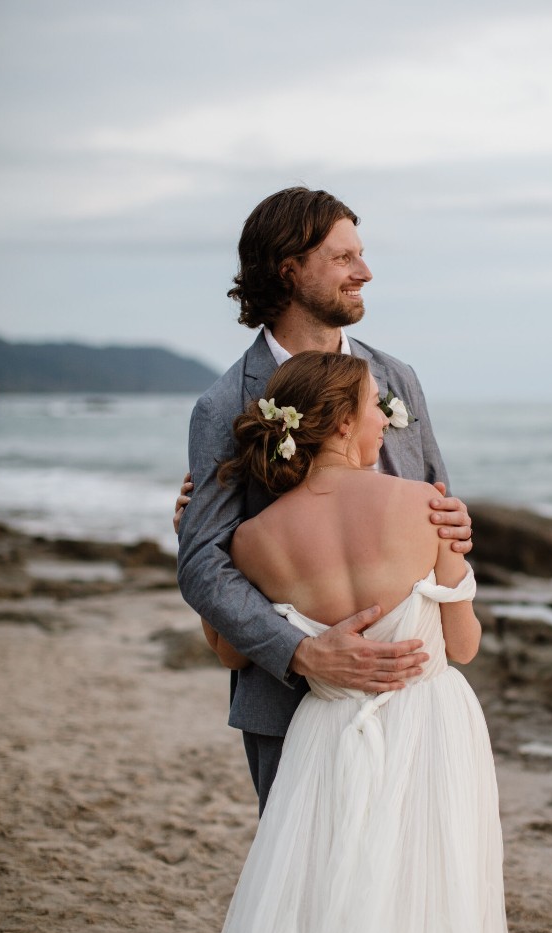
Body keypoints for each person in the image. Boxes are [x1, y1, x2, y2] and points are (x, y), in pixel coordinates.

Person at [172, 351, 517, 933]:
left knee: (320, 912)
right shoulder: (423, 504)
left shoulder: (250, 541)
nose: (381, 421)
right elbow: (464, 643)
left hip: (323, 735)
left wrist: (188, 533)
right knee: (430, 907)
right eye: (372, 407)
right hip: (428, 726)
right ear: (337, 422)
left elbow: (232, 651)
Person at [176, 187, 472, 811]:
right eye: (344, 259)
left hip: (414, 697)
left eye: (361, 255)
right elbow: (202, 563)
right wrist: (306, 654)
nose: (364, 272)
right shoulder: (224, 404)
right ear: (290, 269)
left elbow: (440, 500)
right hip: (292, 706)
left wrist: (456, 525)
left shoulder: (397, 380)